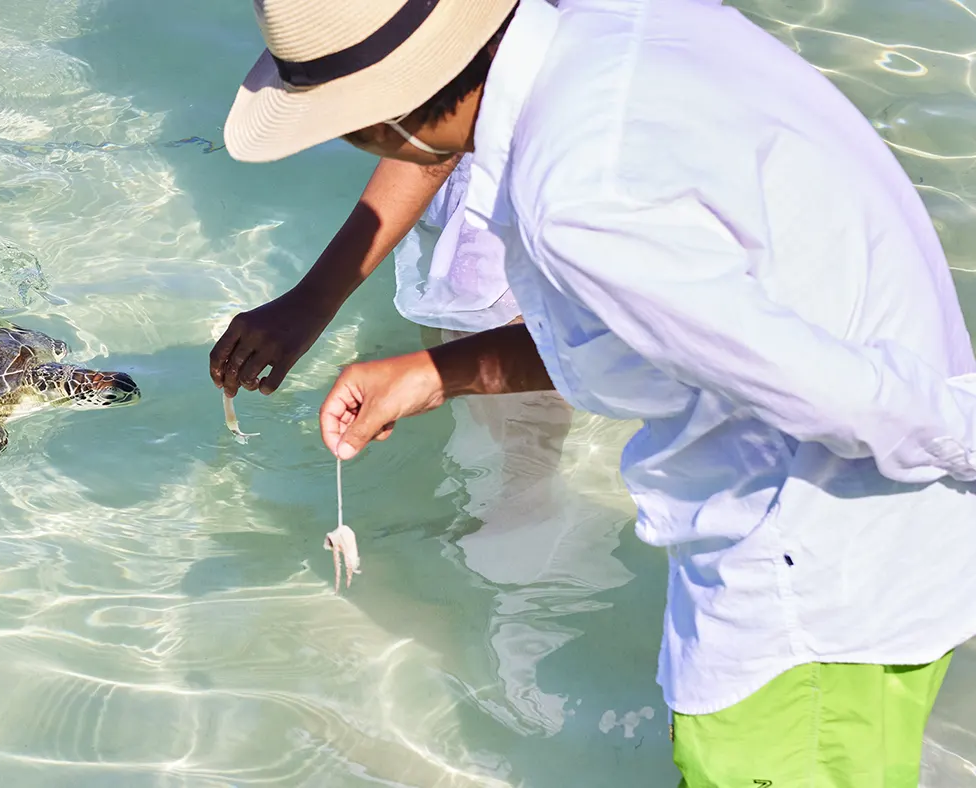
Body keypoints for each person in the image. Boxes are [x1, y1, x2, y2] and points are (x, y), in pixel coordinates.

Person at [217, 0, 976, 784]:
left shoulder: (578, 203)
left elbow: (833, 397)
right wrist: (430, 375)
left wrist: (963, 439)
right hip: (894, 515)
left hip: (813, 579)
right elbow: (682, 332)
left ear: (384, 124)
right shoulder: (630, 23)